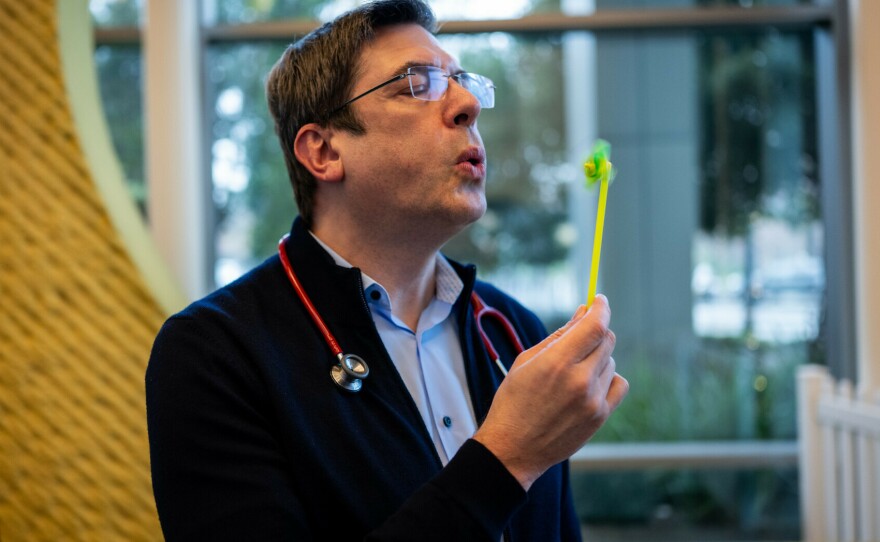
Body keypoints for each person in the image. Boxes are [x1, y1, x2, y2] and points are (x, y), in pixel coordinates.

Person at [145, 0, 628, 540]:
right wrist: (507, 458)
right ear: (323, 151)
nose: (468, 104)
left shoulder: (513, 331)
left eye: (462, 81)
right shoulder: (215, 353)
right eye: (418, 83)